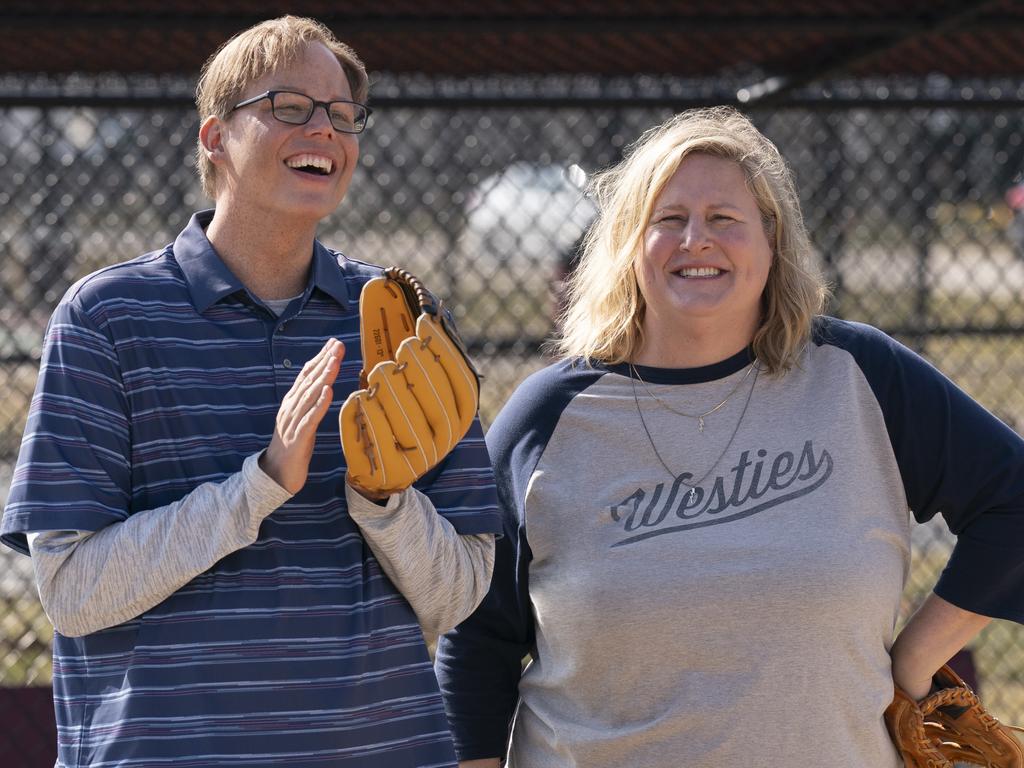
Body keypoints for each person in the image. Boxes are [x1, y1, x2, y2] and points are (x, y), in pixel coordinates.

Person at [434, 106, 1024, 767]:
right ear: (628, 244)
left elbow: (1014, 501)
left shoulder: (860, 377)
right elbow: (475, 639)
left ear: (772, 243)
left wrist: (912, 665)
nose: (696, 240)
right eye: (669, 220)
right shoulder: (549, 415)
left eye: (724, 219)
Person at [1, 15, 500, 768]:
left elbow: (458, 594)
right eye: (290, 107)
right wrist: (258, 487)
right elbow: (72, 593)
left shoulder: (402, 320)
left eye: (341, 115)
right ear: (214, 139)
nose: (325, 130)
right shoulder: (107, 316)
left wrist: (385, 501)